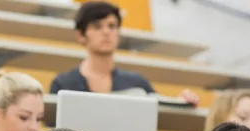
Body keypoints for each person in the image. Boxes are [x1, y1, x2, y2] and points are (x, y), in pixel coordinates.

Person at [49, 1, 198, 104]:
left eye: (112, 26)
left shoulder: (137, 83)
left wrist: (184, 100)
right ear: (81, 35)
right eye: (97, 26)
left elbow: (165, 107)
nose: (106, 32)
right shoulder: (63, 84)